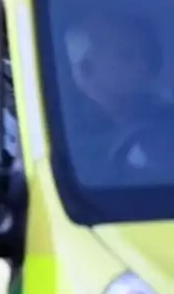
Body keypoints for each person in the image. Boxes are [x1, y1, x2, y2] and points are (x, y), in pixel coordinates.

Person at [63, 11, 174, 183]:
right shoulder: (60, 127)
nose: (143, 65)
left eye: (146, 54)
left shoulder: (166, 117)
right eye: (126, 55)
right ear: (86, 68)